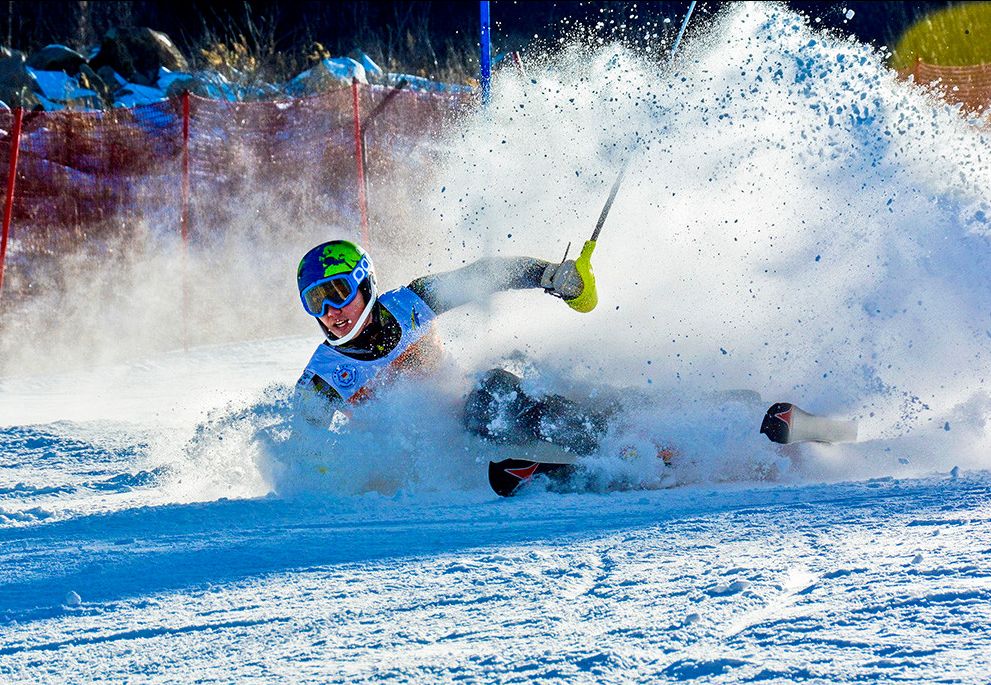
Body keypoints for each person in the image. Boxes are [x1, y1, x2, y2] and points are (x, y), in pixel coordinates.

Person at [293, 239, 610, 456]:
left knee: (493, 391)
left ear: (365, 284)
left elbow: (484, 275)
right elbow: (304, 455)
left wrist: (548, 275)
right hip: (421, 460)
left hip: (475, 413)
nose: (330, 311)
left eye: (339, 292)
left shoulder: (411, 304)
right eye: (316, 302)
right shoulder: (321, 380)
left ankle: (607, 437)